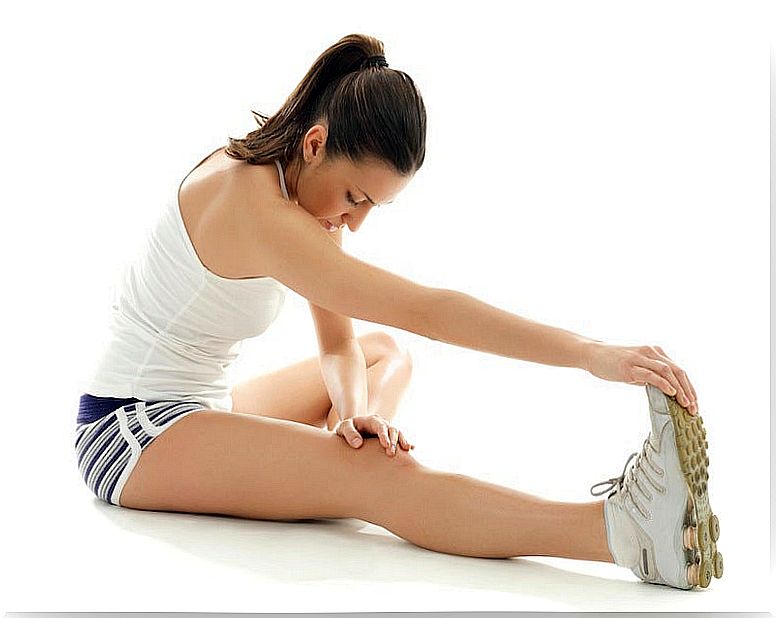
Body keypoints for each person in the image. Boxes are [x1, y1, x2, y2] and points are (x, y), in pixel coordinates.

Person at [74, 33, 721, 590]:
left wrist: (355, 413)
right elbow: (427, 308)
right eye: (355, 196)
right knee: (379, 473)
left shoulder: (293, 196)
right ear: (315, 142)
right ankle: (625, 533)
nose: (352, 221)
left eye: (370, 209)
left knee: (384, 354)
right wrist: (588, 353)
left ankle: (340, 460)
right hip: (130, 431)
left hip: (200, 407)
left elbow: (337, 345)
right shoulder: (253, 206)